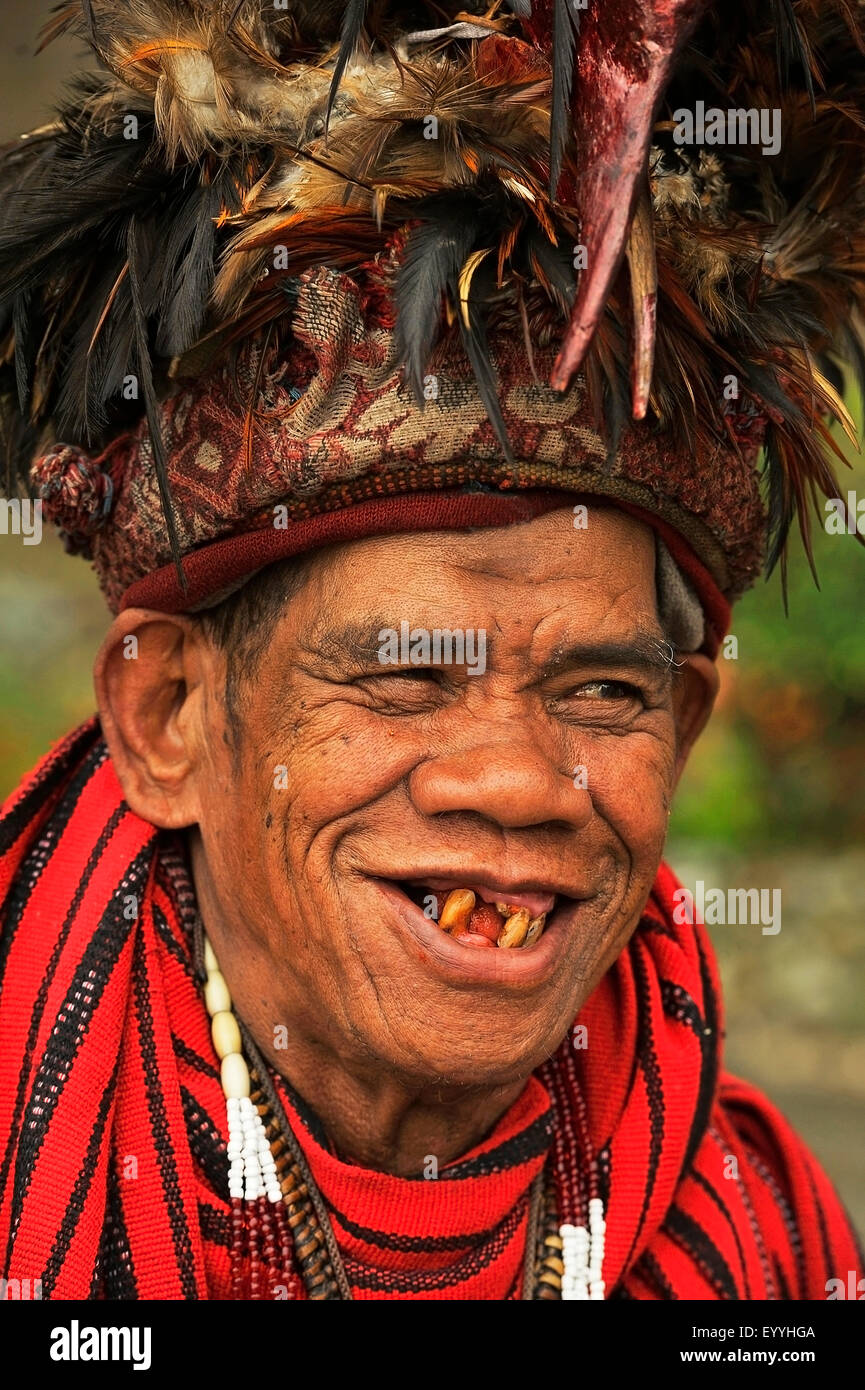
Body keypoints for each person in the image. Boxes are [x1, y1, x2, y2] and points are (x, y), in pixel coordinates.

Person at [0, 0, 862, 1300]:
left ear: (681, 728)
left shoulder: (757, 1246)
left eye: (602, 690)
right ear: (171, 713)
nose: (517, 782)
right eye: (405, 676)